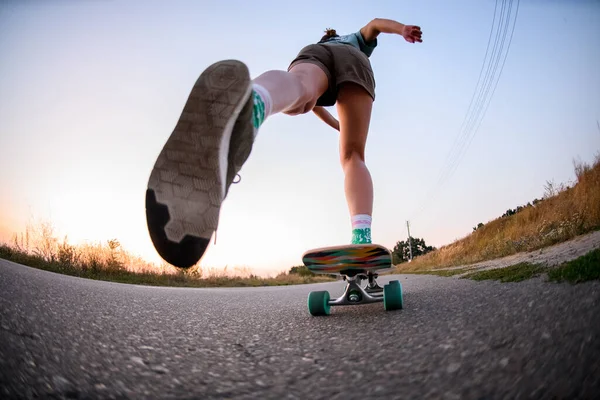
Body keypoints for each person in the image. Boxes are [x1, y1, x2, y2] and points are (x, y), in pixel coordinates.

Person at [145, 18, 423, 269]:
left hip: (313, 58)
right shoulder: (355, 41)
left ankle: (254, 100)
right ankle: (361, 238)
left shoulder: (320, 46)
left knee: (299, 91)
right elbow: (374, 24)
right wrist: (402, 30)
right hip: (354, 62)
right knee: (353, 157)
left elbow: (312, 104)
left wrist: (338, 125)